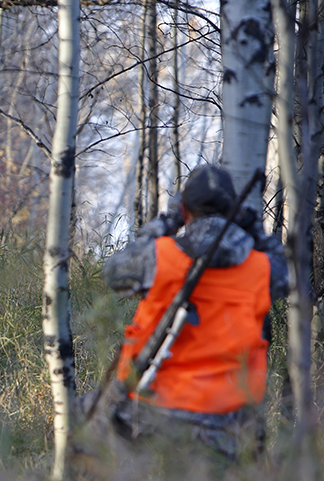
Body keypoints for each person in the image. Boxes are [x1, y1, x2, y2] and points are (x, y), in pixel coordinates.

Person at [101, 164, 288, 461]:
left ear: (185, 210)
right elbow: (290, 278)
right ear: (233, 213)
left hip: (148, 409)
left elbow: (113, 272)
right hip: (225, 417)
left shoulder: (158, 256)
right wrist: (254, 230)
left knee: (91, 423)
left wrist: (165, 222)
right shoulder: (262, 269)